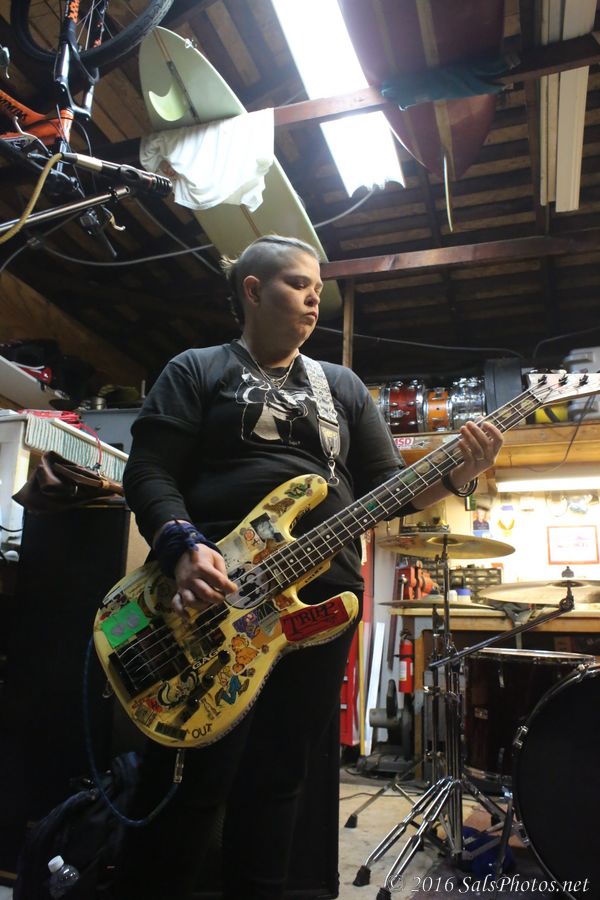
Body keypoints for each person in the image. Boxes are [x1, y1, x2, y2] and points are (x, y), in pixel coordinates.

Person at [114, 235, 502, 900]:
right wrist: (183, 546)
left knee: (280, 777)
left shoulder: (340, 386)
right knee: (194, 777)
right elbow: (148, 470)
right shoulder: (198, 368)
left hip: (319, 609)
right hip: (217, 599)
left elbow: (390, 490)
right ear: (252, 290)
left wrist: (459, 473)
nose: (314, 299)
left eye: (319, 289)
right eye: (298, 284)